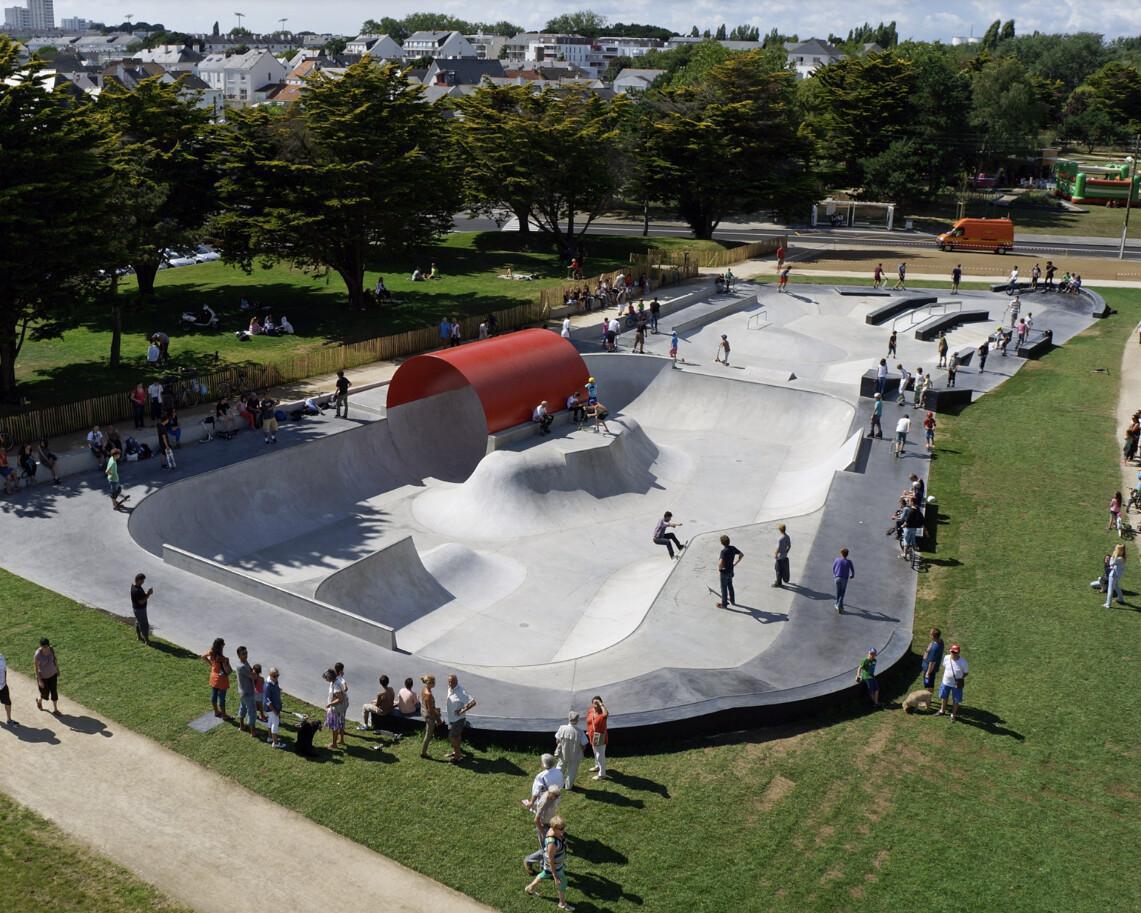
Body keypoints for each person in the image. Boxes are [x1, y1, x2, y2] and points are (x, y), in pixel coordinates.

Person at [524, 815, 574, 911]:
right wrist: (555, 876)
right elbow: (551, 860)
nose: (563, 830)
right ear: (554, 828)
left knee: (544, 874)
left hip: (554, 864)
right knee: (563, 882)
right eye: (561, 829)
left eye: (564, 827)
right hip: (554, 866)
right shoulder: (552, 843)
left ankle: (530, 888)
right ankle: (562, 903)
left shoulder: (556, 833)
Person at [444, 674, 476, 763]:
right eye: (449, 681)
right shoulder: (450, 688)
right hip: (451, 718)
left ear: (456, 681)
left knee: (452, 737)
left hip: (458, 719)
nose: (450, 683)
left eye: (452, 682)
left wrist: (462, 710)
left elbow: (472, 702)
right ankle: (456, 752)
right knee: (457, 736)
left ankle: (457, 757)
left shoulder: (461, 691)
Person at [554, 712, 588, 791]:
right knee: (572, 770)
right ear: (577, 720)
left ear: (568, 719)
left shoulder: (562, 728)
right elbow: (584, 744)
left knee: (560, 767)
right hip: (575, 754)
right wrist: (581, 751)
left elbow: (557, 740)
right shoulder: (579, 732)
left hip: (563, 753)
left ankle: (557, 783)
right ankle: (568, 786)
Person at [936, 643, 968, 720]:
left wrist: (959, 679)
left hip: (956, 684)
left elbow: (966, 673)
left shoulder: (963, 662)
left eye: (955, 652)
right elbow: (945, 666)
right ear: (950, 651)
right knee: (944, 697)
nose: (953, 653)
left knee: (956, 699)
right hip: (946, 682)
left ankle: (953, 715)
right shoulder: (946, 657)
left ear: (958, 652)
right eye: (952, 652)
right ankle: (942, 710)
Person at [202, 638, 232, 720]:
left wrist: (211, 664)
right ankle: (224, 715)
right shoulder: (222, 658)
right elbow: (228, 671)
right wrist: (227, 661)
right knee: (222, 698)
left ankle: (216, 712)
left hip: (213, 677)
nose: (224, 645)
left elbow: (203, 657)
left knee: (214, 695)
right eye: (223, 643)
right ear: (221, 645)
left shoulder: (211, 652)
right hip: (222, 679)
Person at [33, 637, 60, 715]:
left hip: (53, 674)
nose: (45, 648)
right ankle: (39, 700)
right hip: (43, 677)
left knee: (54, 691)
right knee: (45, 694)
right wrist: (40, 680)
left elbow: (54, 659)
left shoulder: (51, 649)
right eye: (43, 647)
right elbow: (36, 668)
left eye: (46, 646)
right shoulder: (37, 655)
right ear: (40, 646)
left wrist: (57, 669)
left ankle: (55, 710)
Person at [235, 646, 258, 738]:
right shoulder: (243, 666)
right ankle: (253, 732)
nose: (246, 655)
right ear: (238, 655)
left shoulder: (242, 663)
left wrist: (252, 672)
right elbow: (254, 676)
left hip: (242, 692)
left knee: (242, 708)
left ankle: (241, 726)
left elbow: (252, 673)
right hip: (248, 692)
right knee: (252, 711)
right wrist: (254, 673)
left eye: (246, 653)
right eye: (243, 654)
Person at [716, 534, 744, 608]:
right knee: (730, 586)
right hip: (731, 571)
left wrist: (720, 568)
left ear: (721, 543)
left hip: (724, 573)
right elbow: (741, 554)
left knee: (724, 588)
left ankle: (724, 604)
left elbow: (720, 563)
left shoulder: (723, 552)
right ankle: (732, 600)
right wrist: (736, 562)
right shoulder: (733, 548)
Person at [586, 696, 609, 780]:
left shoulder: (602, 713)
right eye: (594, 703)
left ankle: (602, 774)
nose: (595, 705)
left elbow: (606, 714)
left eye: (597, 703)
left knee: (600, 755)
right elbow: (588, 721)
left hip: (600, 736)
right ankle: (597, 766)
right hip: (592, 735)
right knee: (595, 752)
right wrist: (588, 730)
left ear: (600, 703)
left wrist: (601, 705)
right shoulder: (591, 711)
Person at [323, 668, 347, 750]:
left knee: (335, 725)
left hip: (337, 708)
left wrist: (330, 704)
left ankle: (334, 744)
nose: (326, 679)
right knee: (341, 722)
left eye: (326, 678)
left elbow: (340, 698)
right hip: (342, 707)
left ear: (330, 678)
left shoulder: (336, 685)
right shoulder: (336, 680)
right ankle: (341, 740)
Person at [419, 674, 441, 759]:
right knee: (428, 735)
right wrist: (438, 716)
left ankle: (423, 752)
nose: (435, 683)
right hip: (429, 715)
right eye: (433, 682)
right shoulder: (428, 694)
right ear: (430, 683)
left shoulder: (424, 689)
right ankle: (423, 752)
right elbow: (430, 710)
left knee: (428, 732)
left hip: (424, 711)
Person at [130, 573, 153, 646]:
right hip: (140, 610)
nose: (143, 582)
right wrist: (149, 594)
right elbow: (141, 601)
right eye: (142, 580)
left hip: (137, 609)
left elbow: (141, 597)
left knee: (138, 622)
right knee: (144, 625)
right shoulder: (136, 590)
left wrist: (147, 593)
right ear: (139, 580)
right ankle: (147, 640)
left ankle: (139, 637)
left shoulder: (135, 586)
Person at [264, 667, 284, 748]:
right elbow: (267, 701)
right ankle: (275, 743)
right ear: (270, 676)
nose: (277, 678)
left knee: (270, 721)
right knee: (275, 723)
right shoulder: (268, 686)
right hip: (271, 709)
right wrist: (275, 710)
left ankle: (270, 738)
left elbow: (276, 688)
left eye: (277, 675)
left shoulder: (275, 681)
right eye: (275, 676)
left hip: (274, 707)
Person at [832, 547, 855, 614]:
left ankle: (839, 604)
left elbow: (833, 567)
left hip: (837, 578)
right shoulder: (849, 562)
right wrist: (852, 575)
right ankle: (839, 605)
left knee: (838, 591)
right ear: (847, 554)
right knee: (842, 592)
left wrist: (834, 575)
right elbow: (852, 570)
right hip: (844, 579)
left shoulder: (837, 559)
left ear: (841, 553)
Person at [1105, 543, 1126, 608]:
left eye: (1116, 549)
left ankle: (1108, 604)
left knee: (1110, 589)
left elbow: (1111, 563)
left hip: (1113, 575)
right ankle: (1121, 599)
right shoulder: (1122, 558)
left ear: (1119, 551)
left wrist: (1113, 556)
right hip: (1117, 575)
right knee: (1116, 586)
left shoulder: (1119, 558)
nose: (1114, 550)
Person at [773, 524, 792, 588]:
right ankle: (779, 580)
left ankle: (779, 583)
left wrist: (775, 555)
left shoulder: (780, 539)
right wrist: (786, 552)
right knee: (782, 568)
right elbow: (789, 546)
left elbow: (778, 548)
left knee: (777, 569)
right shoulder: (787, 537)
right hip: (784, 556)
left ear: (780, 530)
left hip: (779, 557)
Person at [0, 651, 13, 726]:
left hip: (3, 685)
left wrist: (4, 681)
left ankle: (9, 719)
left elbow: (5, 669)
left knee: (8, 702)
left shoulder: (1, 657)